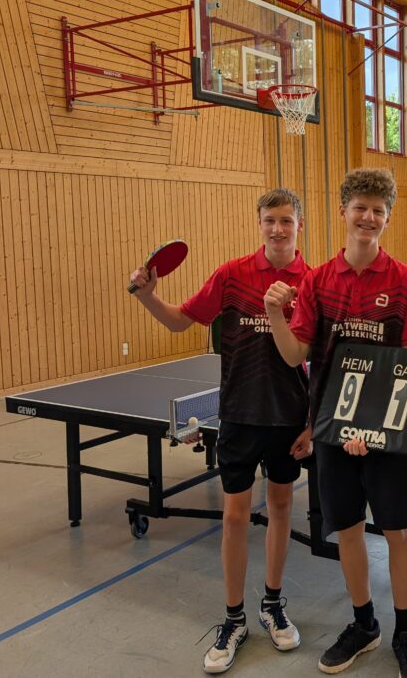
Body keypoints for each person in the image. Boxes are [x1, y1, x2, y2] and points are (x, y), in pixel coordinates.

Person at [129, 188, 312, 674]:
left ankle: (272, 604)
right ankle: (234, 619)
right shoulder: (232, 274)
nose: (278, 229)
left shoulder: (311, 282)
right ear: (260, 224)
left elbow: (323, 359)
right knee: (233, 518)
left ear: (300, 225)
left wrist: (314, 423)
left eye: (286, 220)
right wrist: (148, 295)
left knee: (280, 509)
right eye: (270, 220)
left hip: (289, 417)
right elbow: (180, 321)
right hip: (238, 415)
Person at [263, 168, 407, 678]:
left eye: (378, 210)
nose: (368, 217)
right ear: (343, 212)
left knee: (397, 531)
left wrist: (371, 426)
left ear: (387, 218)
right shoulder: (318, 281)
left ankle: (405, 630)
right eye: (360, 207)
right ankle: (364, 623)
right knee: (351, 531)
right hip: (333, 431)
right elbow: (296, 354)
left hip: (387, 433)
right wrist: (274, 314)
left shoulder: (406, 282)